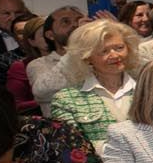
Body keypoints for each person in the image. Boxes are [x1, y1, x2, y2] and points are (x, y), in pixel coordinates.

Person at [49, 18, 142, 152]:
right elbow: (72, 149)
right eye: (104, 51)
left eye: (119, 48)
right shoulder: (66, 100)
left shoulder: (149, 91)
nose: (115, 55)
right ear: (87, 57)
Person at [16, 6, 86, 111]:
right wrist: (75, 49)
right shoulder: (39, 64)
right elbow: (42, 92)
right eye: (66, 22)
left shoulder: (97, 58)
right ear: (50, 35)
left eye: (78, 20)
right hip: (64, 125)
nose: (75, 25)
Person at [2, 14, 50, 113]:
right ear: (32, 41)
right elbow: (14, 103)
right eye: (43, 35)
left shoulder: (70, 61)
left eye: (54, 33)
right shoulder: (22, 66)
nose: (50, 37)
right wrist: (47, 100)